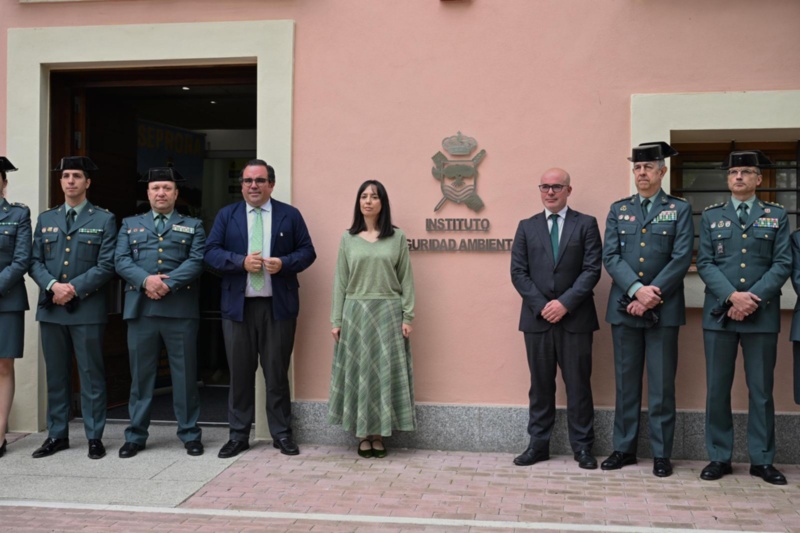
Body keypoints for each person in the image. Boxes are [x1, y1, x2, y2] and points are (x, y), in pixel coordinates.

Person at [205, 159, 316, 458]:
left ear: (271, 184)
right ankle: (239, 435)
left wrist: (285, 264)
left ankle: (281, 433)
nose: (253, 186)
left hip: (277, 308)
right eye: (247, 181)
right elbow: (210, 253)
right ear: (241, 185)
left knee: (277, 373)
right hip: (237, 309)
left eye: (259, 180)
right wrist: (239, 262)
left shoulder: (289, 215)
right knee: (240, 374)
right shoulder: (227, 216)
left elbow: (307, 252)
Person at [696, 150, 790, 485]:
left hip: (761, 315)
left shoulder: (776, 215)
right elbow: (705, 262)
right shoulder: (711, 216)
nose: (739, 177)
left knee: (761, 390)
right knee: (717, 389)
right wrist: (732, 296)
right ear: (727, 179)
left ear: (759, 179)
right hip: (720, 314)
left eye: (747, 172)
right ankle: (719, 456)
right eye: (734, 172)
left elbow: (782, 263)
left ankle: (762, 460)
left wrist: (752, 299)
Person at [601, 142, 693, 477]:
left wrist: (653, 294)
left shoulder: (679, 209)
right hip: (624, 308)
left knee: (662, 384)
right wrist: (637, 291)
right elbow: (610, 256)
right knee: (625, 384)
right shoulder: (618, 209)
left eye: (649, 167)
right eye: (637, 168)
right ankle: (623, 449)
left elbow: (682, 257)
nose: (642, 173)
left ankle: (661, 453)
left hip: (664, 310)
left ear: (662, 171)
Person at [510, 168, 601, 470]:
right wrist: (543, 306)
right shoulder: (526, 227)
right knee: (540, 386)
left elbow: (592, 270)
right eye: (545, 187)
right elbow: (518, 273)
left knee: (578, 385)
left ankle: (583, 448)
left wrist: (564, 303)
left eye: (557, 187)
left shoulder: (586, 224)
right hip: (537, 321)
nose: (550, 192)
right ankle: (538, 445)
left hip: (575, 319)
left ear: (568, 190)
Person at [29, 156, 116, 459]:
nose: (70, 181)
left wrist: (72, 288)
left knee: (91, 374)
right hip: (52, 308)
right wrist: (54, 287)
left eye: (77, 176)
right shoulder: (46, 218)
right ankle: (57, 435)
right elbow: (34, 261)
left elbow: (106, 265)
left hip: (87, 309)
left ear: (87, 182)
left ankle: (94, 436)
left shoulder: (104, 219)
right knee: (56, 375)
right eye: (66, 176)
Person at [114, 167, 204, 458]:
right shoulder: (130, 224)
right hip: (142, 310)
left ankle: (190, 433)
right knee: (141, 377)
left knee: (185, 376)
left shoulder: (193, 225)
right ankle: (136, 435)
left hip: (179, 310)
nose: (161, 193)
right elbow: (121, 260)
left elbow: (196, 260)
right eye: (156, 188)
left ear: (176, 194)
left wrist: (169, 284)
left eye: (167, 188)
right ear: (148, 193)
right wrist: (146, 281)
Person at [328, 180, 415, 458]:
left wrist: (408, 315)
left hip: (388, 313)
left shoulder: (397, 237)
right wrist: (336, 319)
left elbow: (407, 279)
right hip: (355, 313)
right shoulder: (347, 238)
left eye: (374, 197)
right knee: (360, 373)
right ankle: (363, 434)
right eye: (363, 196)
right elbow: (340, 281)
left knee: (382, 374)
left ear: (382, 203)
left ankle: (379, 434)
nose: (368, 201)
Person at [0, 157, 31, 458]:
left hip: (6, 299)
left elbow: (21, 259)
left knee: (3, 365)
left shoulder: (18, 214)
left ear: (4, 183)